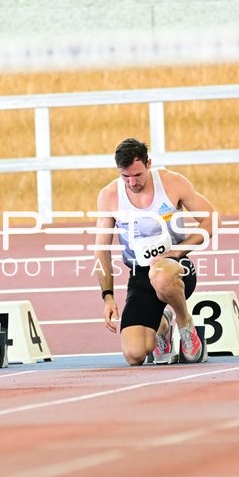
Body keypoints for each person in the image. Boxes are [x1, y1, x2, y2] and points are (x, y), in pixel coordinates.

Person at [94, 138, 218, 366]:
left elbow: (211, 220)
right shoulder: (110, 196)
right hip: (140, 276)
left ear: (148, 164)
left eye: (137, 175)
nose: (132, 182)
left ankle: (185, 325)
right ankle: (162, 324)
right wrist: (108, 296)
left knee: (160, 274)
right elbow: (102, 251)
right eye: (125, 176)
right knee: (134, 355)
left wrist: (177, 251)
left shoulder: (172, 183)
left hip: (176, 268)